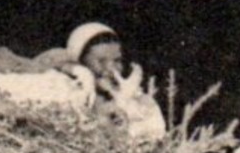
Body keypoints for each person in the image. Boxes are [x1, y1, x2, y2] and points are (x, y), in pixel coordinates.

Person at [35, 22, 166, 142]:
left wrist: (124, 104)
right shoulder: (67, 96)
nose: (111, 68)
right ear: (81, 63)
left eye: (117, 60)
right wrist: (72, 69)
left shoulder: (141, 103)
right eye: (101, 61)